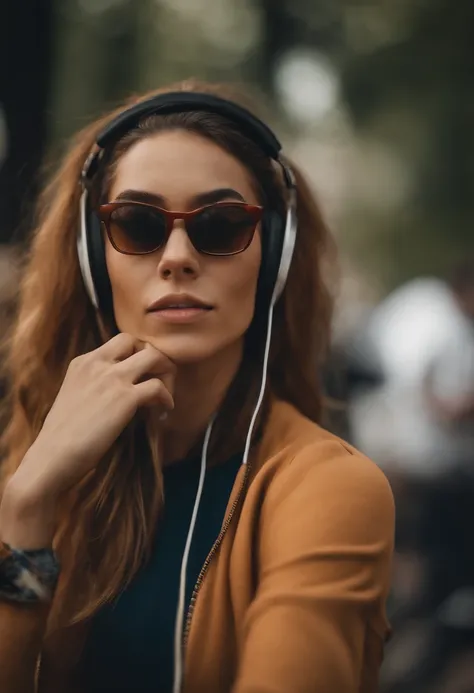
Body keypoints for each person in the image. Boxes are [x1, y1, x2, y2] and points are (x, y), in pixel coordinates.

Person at [0, 79, 394, 693]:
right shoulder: (35, 472)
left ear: (274, 258)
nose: (178, 256)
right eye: (136, 223)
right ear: (91, 261)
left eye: (219, 225)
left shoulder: (328, 488)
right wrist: (26, 507)